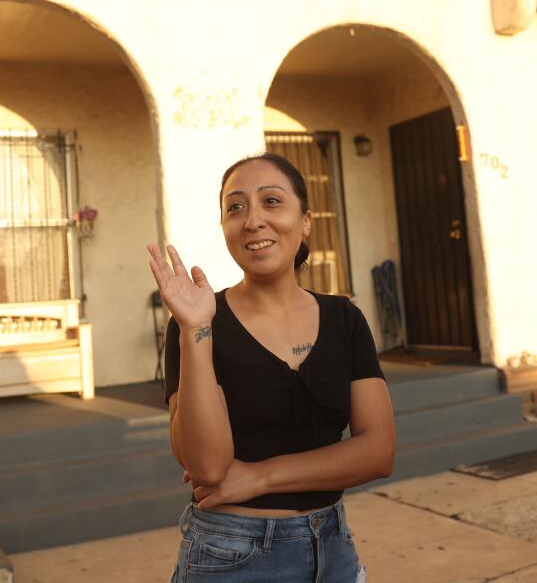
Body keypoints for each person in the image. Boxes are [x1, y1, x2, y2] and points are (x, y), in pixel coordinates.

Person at [148, 152, 395, 583]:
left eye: (272, 201)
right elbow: (207, 468)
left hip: (333, 546)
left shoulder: (344, 319)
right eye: (235, 207)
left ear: (306, 221)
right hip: (232, 554)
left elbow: (378, 451)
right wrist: (196, 330)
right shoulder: (198, 323)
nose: (253, 220)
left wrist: (259, 477)